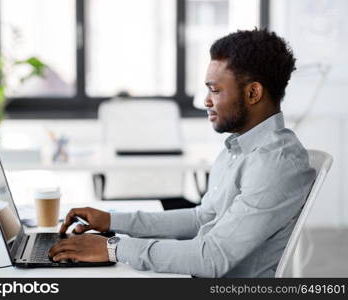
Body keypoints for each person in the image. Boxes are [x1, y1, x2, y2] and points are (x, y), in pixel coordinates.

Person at [48, 29, 316, 277]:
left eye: (215, 89)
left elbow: (212, 258)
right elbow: (202, 217)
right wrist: (112, 220)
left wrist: (112, 247)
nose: (206, 100)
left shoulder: (275, 163)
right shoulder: (240, 147)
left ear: (253, 92)